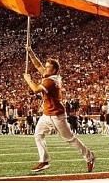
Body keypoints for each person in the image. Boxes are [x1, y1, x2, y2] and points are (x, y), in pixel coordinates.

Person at [23, 44, 95, 173]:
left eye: (48, 68)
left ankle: (90, 157)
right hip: (47, 114)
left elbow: (34, 89)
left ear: (55, 70)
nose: (45, 69)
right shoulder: (50, 76)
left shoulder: (50, 82)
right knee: (38, 135)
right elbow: (38, 65)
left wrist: (28, 79)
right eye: (46, 67)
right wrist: (30, 52)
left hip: (57, 115)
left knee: (70, 139)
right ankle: (44, 160)